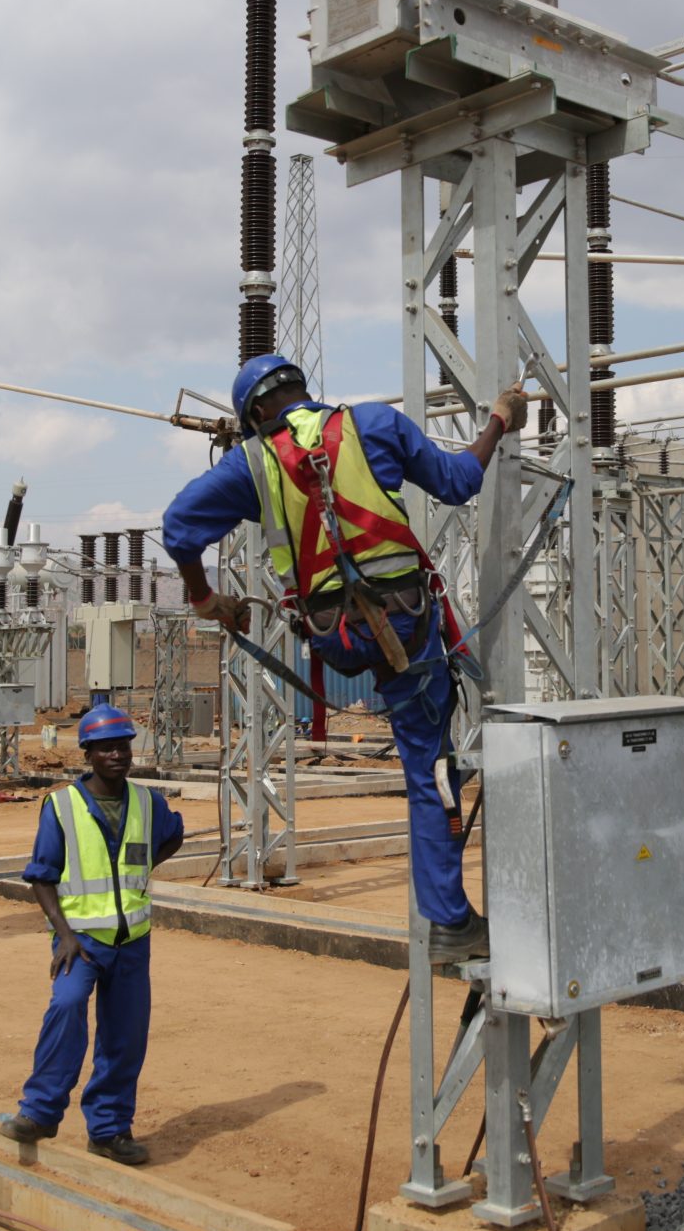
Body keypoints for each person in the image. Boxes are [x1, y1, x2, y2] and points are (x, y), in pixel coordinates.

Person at [161, 354, 529, 965]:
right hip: (406, 626)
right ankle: (448, 917)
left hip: (334, 635)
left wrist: (206, 598)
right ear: (304, 390)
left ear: (255, 414)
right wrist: (498, 419)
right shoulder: (376, 424)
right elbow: (461, 480)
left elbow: (178, 529)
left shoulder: (252, 461)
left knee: (422, 754)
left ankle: (450, 914)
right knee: (430, 769)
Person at [0, 703, 184, 1165]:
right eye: (106, 748)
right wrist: (63, 935)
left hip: (132, 944)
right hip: (81, 941)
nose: (117, 755)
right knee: (65, 1007)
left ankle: (109, 1130)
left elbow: (174, 835)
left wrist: (143, 871)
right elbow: (41, 876)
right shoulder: (61, 807)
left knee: (125, 1037)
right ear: (88, 754)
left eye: (123, 746)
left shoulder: (147, 802)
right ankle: (40, 1112)